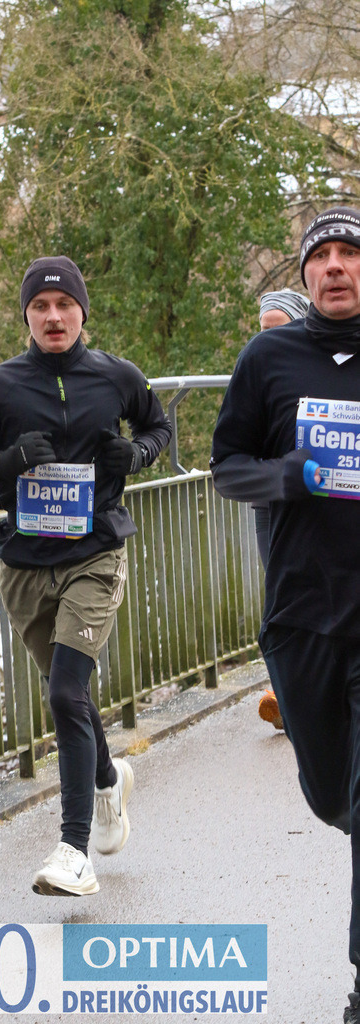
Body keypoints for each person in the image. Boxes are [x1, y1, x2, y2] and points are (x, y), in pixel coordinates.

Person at [0, 256, 172, 897]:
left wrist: (140, 452)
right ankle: (108, 777)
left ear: (81, 313)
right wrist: (12, 460)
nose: (53, 317)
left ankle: (73, 851)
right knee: (66, 693)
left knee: (66, 692)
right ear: (26, 317)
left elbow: (158, 426)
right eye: (40, 308)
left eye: (64, 305)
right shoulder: (1, 386)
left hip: (95, 551)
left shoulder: (116, 377)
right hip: (23, 563)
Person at [210, 207, 360, 1024]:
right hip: (300, 611)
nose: (335, 266)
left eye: (348, 253)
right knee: (329, 796)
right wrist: (284, 478)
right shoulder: (267, 358)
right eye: (321, 256)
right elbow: (225, 469)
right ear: (304, 276)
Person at [254, 289, 311, 732]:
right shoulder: (253, 373)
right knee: (279, 594)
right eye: (263, 329)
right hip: (269, 505)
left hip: (318, 508)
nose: (269, 337)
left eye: (279, 327)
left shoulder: (322, 370)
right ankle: (284, 692)